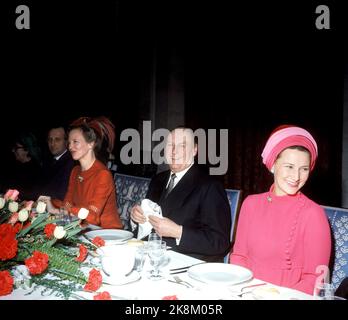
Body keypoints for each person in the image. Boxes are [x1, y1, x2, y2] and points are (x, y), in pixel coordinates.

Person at [229, 125, 332, 295]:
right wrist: (241, 292)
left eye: (304, 169)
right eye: (289, 166)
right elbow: (239, 257)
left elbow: (314, 279)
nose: (297, 176)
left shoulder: (314, 214)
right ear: (272, 165)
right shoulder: (251, 203)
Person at [130, 127, 231, 262]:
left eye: (182, 145)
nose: (173, 151)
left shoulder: (210, 186)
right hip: (153, 257)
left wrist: (178, 232)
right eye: (170, 145)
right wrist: (136, 219)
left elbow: (220, 243)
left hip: (189, 264)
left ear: (194, 150)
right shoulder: (157, 180)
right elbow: (147, 223)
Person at [39, 117, 123, 229]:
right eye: (69, 142)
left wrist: (63, 208)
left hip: (108, 233)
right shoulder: (75, 171)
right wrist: (52, 206)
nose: (70, 147)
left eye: (75, 142)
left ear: (91, 144)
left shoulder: (102, 174)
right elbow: (67, 204)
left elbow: (92, 217)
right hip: (84, 229)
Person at [41, 125, 75, 200]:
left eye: (57, 140)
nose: (52, 144)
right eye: (50, 140)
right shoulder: (47, 161)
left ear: (66, 142)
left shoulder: (71, 163)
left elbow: (61, 194)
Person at [7, 132, 43, 200]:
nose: (12, 150)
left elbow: (32, 196)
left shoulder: (36, 170)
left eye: (16, 148)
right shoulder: (16, 166)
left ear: (26, 149)